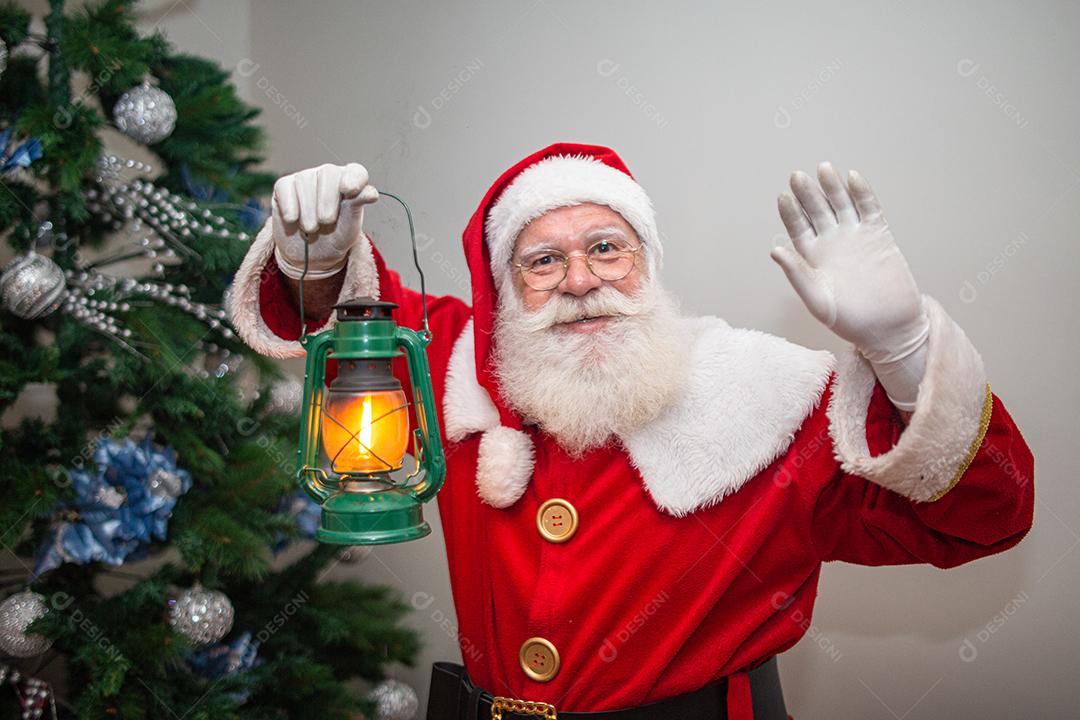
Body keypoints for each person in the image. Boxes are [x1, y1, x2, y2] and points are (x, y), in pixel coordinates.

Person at [228, 142, 1034, 720]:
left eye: (606, 249)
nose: (579, 281)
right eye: (540, 262)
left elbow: (984, 514)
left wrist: (903, 348)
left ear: (649, 266)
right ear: (504, 293)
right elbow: (353, 321)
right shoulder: (455, 367)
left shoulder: (775, 400)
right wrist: (317, 261)